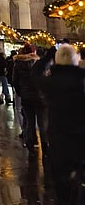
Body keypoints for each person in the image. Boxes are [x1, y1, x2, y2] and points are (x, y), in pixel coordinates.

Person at [32, 45, 85, 204]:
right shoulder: (82, 80)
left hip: (59, 139)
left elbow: (34, 75)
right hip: (81, 139)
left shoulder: (51, 82)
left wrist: (46, 57)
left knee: (61, 185)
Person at [12, 43, 47, 156]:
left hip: (26, 97)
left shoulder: (18, 64)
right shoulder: (39, 63)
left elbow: (15, 81)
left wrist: (21, 92)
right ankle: (45, 147)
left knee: (29, 122)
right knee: (42, 123)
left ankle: (30, 146)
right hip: (40, 96)